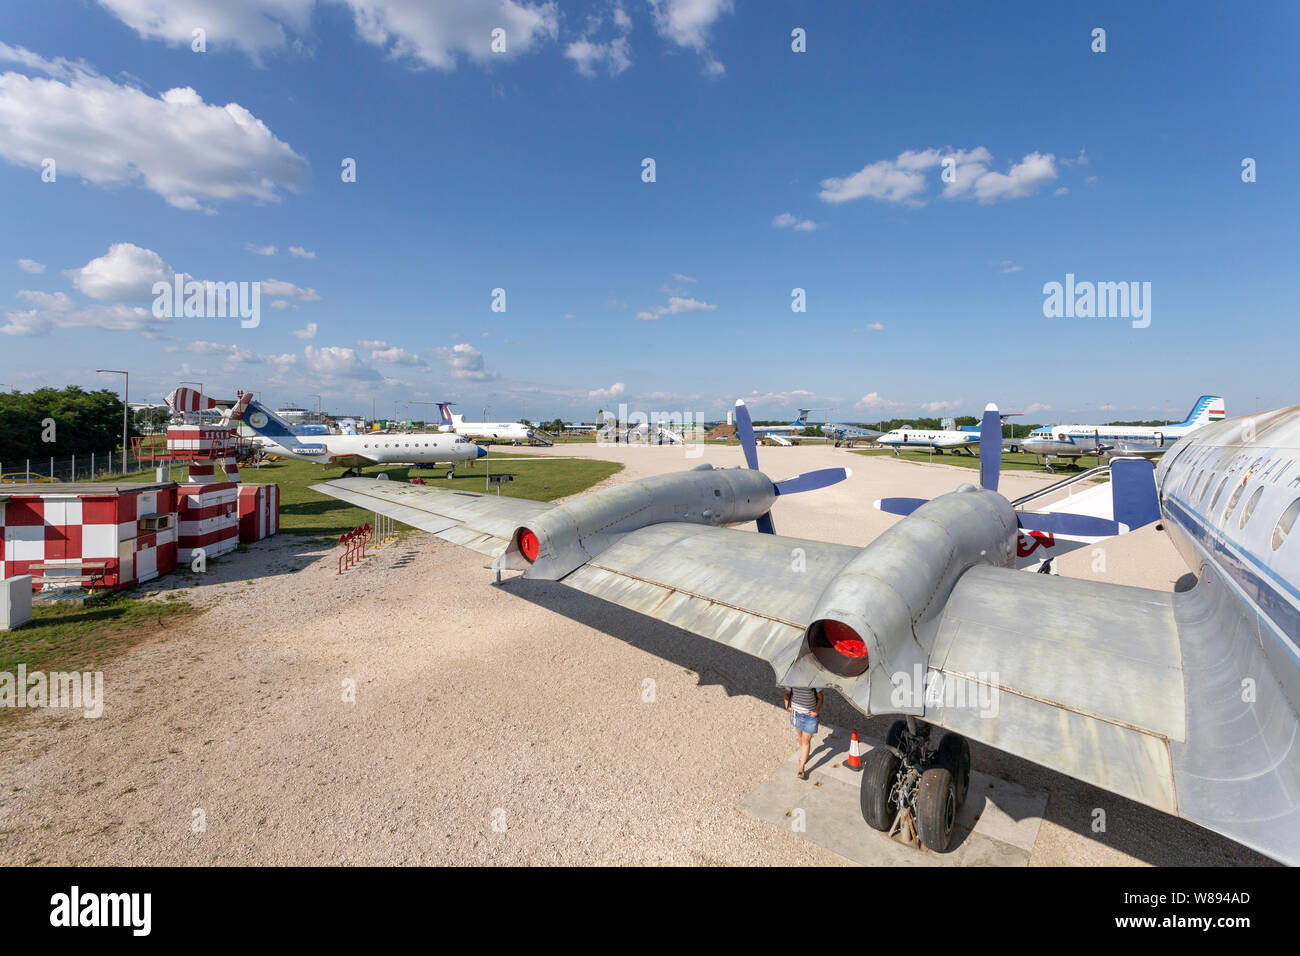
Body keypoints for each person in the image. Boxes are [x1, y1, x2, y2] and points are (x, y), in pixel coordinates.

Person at [783, 686, 823, 780]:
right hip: (796, 714)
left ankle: (801, 767)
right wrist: (787, 705)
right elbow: (786, 694)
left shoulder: (814, 681)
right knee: (800, 736)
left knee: (806, 741)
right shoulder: (793, 678)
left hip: (810, 717)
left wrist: (816, 711)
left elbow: (821, 698)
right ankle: (804, 755)